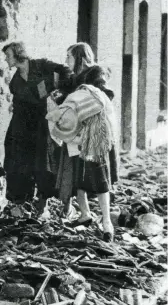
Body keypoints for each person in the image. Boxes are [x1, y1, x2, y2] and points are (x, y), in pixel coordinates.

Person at [46, 42, 118, 240]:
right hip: (76, 133)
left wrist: (86, 94)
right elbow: (66, 100)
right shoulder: (73, 78)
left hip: (94, 132)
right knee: (78, 173)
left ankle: (106, 222)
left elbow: (107, 95)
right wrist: (58, 96)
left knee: (99, 175)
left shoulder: (95, 73)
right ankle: (85, 214)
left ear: (79, 57)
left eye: (69, 57)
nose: (66, 61)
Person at [2, 41, 72, 216]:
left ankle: (43, 202)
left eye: (8, 55)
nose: (6, 59)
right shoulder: (15, 82)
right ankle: (22, 201)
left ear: (18, 54)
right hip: (23, 125)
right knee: (17, 159)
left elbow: (66, 72)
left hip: (43, 123)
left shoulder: (42, 66)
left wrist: (59, 93)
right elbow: (17, 105)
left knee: (44, 162)